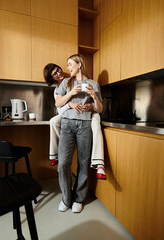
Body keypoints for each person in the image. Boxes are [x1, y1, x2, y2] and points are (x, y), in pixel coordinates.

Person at [54, 54, 103, 213]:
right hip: (67, 124)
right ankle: (66, 198)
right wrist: (71, 93)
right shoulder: (66, 83)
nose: (67, 68)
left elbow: (100, 109)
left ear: (79, 64)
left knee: (83, 163)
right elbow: (57, 103)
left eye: (70, 64)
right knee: (63, 163)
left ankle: (79, 199)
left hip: (85, 124)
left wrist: (94, 96)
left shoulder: (93, 84)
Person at [43, 63, 106, 179]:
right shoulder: (60, 87)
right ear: (52, 78)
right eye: (54, 74)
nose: (59, 73)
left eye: (58, 70)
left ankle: (99, 163)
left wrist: (90, 105)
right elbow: (59, 108)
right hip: (68, 114)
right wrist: (70, 105)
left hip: (87, 112)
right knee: (53, 121)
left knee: (96, 122)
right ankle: (54, 155)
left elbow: (97, 106)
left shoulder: (79, 80)